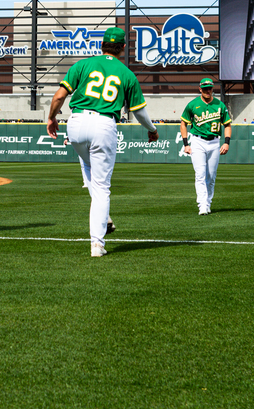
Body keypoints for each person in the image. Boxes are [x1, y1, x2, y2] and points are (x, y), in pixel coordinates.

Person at [46, 27, 158, 257]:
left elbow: (59, 96)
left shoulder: (83, 64)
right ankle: (97, 243)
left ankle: (104, 216)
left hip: (76, 123)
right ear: (124, 48)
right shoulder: (126, 73)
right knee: (101, 188)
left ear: (102, 45)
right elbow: (140, 112)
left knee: (87, 165)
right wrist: (152, 130)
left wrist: (51, 118)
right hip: (104, 124)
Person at [180, 78, 232, 215]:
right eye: (205, 88)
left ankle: (208, 203)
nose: (207, 90)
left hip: (214, 142)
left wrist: (226, 142)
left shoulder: (219, 105)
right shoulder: (193, 104)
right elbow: (183, 123)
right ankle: (202, 205)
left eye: (209, 88)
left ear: (212, 88)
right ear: (200, 89)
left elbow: (227, 124)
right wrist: (186, 144)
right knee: (200, 174)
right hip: (197, 141)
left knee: (211, 176)